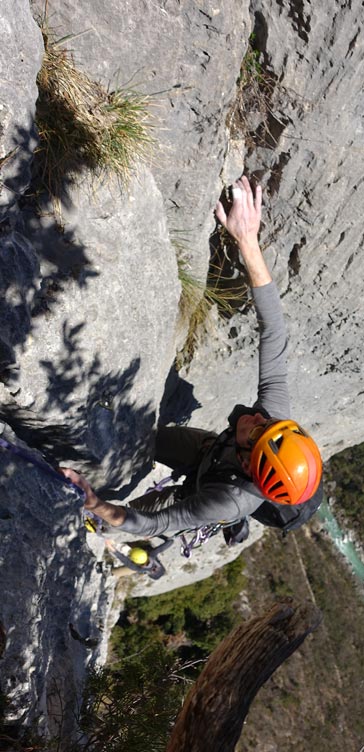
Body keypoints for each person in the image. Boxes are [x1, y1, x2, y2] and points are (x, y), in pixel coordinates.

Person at [62, 176, 322, 539]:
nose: (258, 416)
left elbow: (157, 524)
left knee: (140, 513)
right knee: (149, 439)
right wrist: (247, 239)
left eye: (257, 429)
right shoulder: (272, 421)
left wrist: (94, 502)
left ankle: (99, 529)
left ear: (249, 463)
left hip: (209, 485)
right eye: (268, 422)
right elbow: (274, 331)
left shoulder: (228, 500)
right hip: (210, 452)